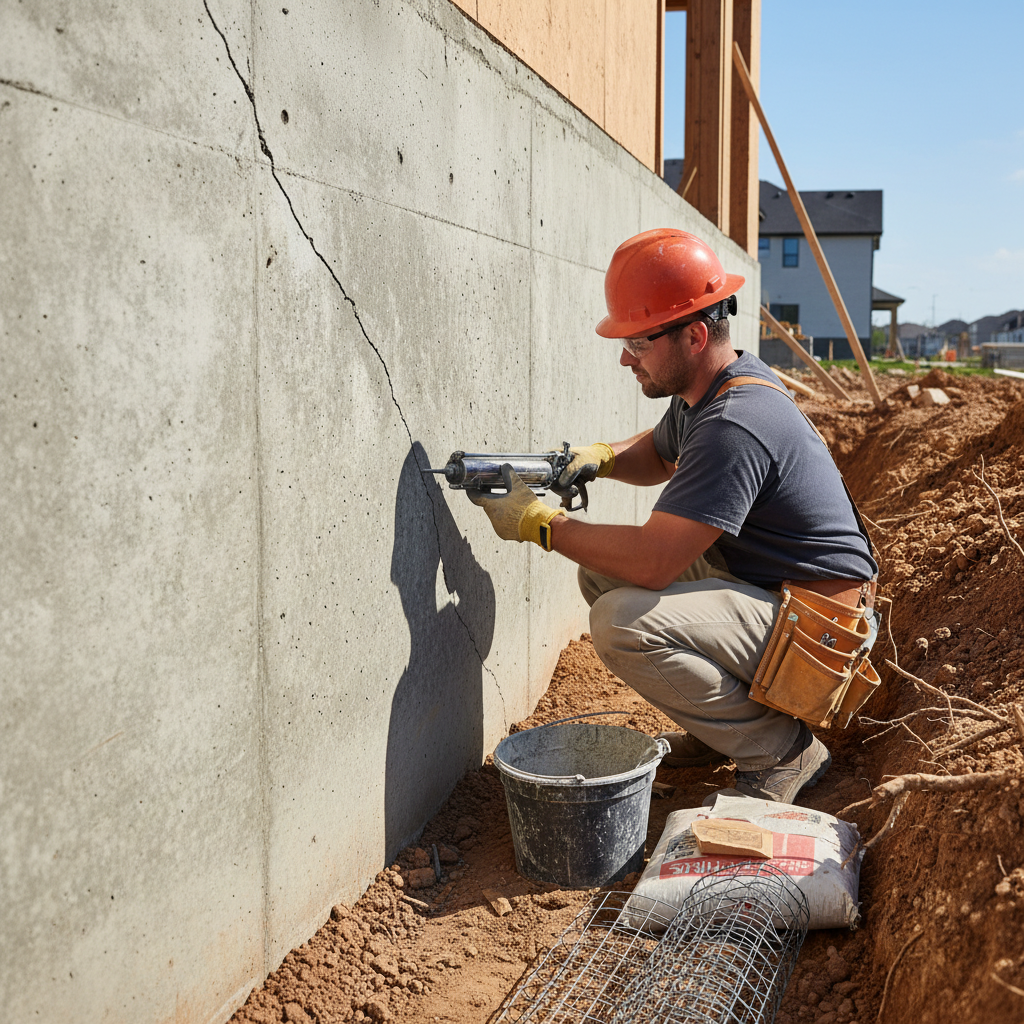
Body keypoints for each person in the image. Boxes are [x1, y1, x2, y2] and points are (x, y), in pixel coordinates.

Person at [467, 228, 877, 804]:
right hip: (782, 604)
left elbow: (656, 562)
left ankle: (781, 750)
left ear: (694, 334)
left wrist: (542, 523)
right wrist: (601, 459)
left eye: (638, 342)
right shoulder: (715, 387)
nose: (624, 356)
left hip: (816, 638)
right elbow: (659, 453)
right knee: (602, 575)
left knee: (622, 622)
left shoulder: (735, 423)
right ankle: (722, 732)